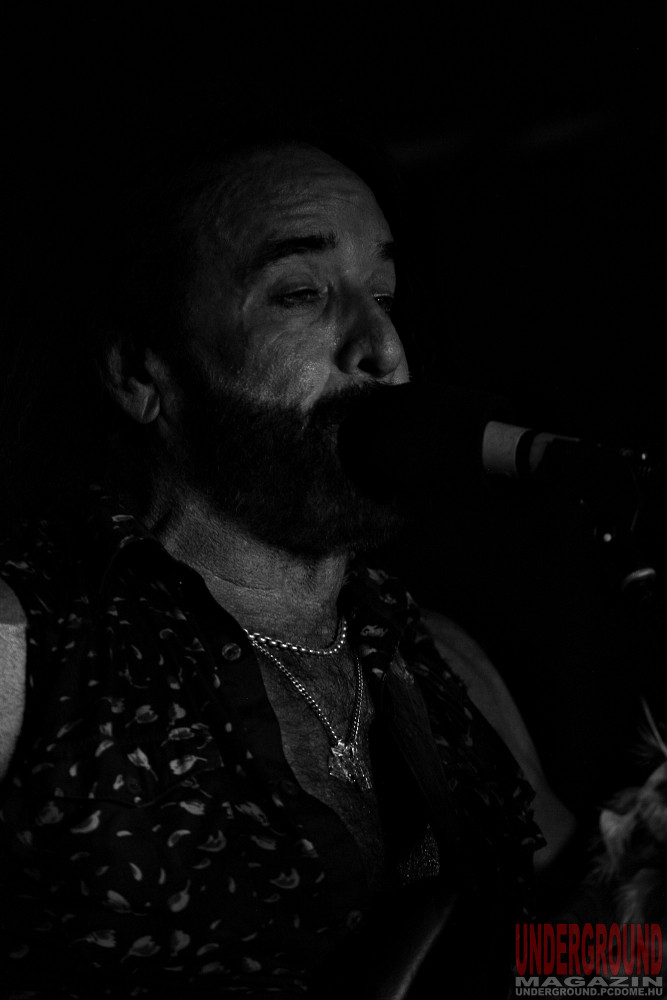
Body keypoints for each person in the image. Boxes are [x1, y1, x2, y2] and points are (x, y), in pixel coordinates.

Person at [0, 112, 574, 998]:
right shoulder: (29, 644)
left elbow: (571, 964)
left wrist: (641, 916)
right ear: (141, 373)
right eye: (301, 293)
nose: (383, 350)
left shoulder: (440, 661)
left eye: (383, 294)